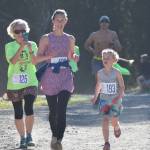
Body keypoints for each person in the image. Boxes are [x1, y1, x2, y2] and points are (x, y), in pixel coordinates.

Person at [34, 9, 79, 150]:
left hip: (66, 75)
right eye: (57, 20)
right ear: (53, 21)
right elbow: (35, 59)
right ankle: (54, 135)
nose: (59, 23)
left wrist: (75, 59)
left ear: (66, 21)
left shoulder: (70, 38)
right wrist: (49, 56)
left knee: (62, 109)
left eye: (62, 20)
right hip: (50, 76)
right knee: (53, 111)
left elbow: (71, 56)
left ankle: (59, 138)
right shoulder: (45, 38)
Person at [5, 19, 38, 148]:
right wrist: (22, 47)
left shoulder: (33, 45)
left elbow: (35, 62)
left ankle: (29, 135)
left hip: (30, 81)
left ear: (27, 32)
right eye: (17, 31)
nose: (20, 33)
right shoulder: (9, 46)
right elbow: (12, 61)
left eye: (23, 31)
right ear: (13, 33)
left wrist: (29, 49)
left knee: (28, 106)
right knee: (18, 112)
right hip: (14, 84)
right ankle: (22, 138)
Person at [91, 49, 125, 150]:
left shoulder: (117, 73)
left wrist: (119, 96)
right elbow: (98, 86)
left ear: (114, 60)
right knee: (105, 120)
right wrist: (95, 97)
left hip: (115, 101)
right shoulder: (99, 73)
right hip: (104, 100)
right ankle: (106, 143)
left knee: (114, 121)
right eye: (103, 58)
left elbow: (122, 87)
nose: (105, 59)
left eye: (107, 58)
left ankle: (116, 127)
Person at [84, 15, 122, 104]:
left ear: (109, 24)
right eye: (102, 22)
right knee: (98, 77)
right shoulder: (94, 34)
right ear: (100, 24)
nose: (104, 24)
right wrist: (92, 50)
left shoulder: (113, 34)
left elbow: (119, 48)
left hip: (108, 61)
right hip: (97, 59)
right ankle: (98, 96)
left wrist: (114, 44)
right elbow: (86, 45)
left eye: (106, 22)